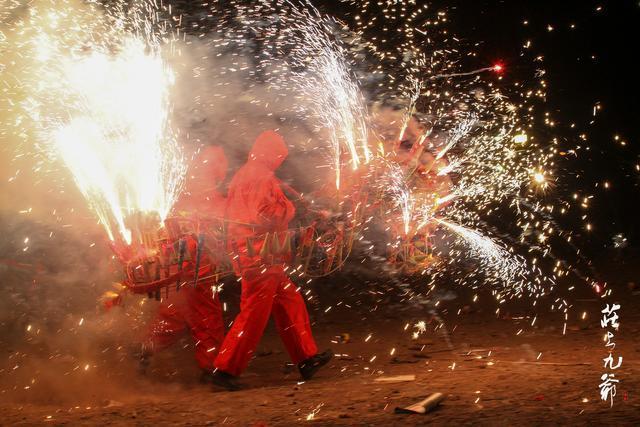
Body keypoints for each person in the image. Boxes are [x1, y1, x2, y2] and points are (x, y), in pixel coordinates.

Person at [212, 130, 332, 391]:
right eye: (278, 156)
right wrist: (291, 209)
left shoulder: (246, 173)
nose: (280, 161)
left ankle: (307, 358)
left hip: (258, 253)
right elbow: (265, 216)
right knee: (254, 312)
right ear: (270, 154)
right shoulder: (261, 177)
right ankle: (225, 370)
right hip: (260, 254)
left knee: (290, 300)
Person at [140, 146, 227, 381]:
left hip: (175, 269)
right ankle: (210, 369)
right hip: (199, 269)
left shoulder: (180, 194)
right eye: (221, 166)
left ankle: (142, 351)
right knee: (207, 317)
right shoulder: (210, 198)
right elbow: (220, 229)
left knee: (173, 315)